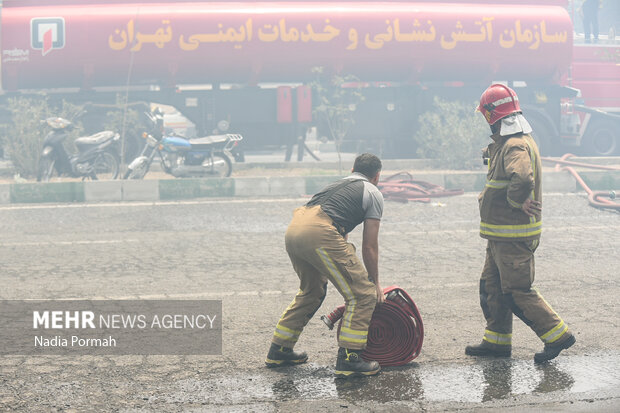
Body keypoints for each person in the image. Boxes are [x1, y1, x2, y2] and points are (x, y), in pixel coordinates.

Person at [466, 84, 576, 363]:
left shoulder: (515, 144)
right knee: (492, 288)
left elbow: (523, 177)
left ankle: (557, 335)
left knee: (516, 291)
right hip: (500, 235)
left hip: (512, 234)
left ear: (492, 115)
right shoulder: (512, 141)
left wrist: (518, 201)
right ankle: (496, 342)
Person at [265, 153, 385, 378]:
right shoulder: (373, 192)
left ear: (353, 171)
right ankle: (350, 359)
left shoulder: (338, 185)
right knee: (362, 294)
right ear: (377, 176)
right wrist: (375, 283)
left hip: (295, 230)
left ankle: (279, 350)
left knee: (312, 291)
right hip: (320, 232)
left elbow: (342, 229)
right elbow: (369, 246)